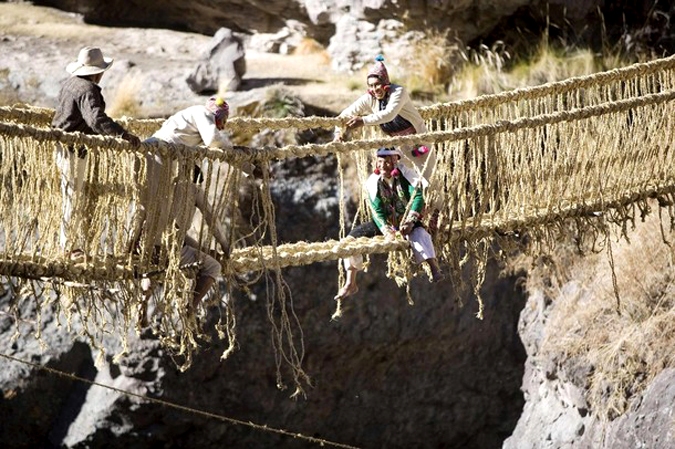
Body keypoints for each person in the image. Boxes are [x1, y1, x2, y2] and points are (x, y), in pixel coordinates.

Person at [131, 96, 240, 310]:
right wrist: (227, 249)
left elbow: (147, 216)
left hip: (152, 243)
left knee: (153, 257)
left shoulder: (165, 190)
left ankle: (142, 301)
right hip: (170, 247)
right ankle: (190, 306)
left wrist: (131, 245)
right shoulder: (193, 191)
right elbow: (212, 222)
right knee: (213, 267)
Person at [52, 46, 140, 258]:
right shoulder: (88, 90)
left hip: (62, 145)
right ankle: (69, 248)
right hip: (73, 148)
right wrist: (123, 135)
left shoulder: (70, 84)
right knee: (73, 196)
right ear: (97, 72)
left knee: (70, 194)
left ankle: (69, 245)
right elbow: (95, 119)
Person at [334, 147, 444, 301]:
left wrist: (411, 221)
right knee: (350, 240)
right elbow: (377, 210)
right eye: (380, 162)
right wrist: (385, 230)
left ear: (395, 161)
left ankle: (433, 267)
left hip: (407, 220)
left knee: (420, 234)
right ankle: (350, 282)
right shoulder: (373, 183)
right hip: (385, 223)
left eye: (386, 162)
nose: (383, 166)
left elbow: (418, 198)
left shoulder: (407, 176)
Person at [333, 55, 435, 179]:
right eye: (370, 86)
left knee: (428, 182)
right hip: (399, 145)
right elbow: (345, 114)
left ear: (385, 83)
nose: (374, 89)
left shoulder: (398, 92)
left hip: (419, 142)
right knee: (402, 183)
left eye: (377, 84)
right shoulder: (370, 98)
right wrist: (338, 133)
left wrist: (363, 121)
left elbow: (389, 114)